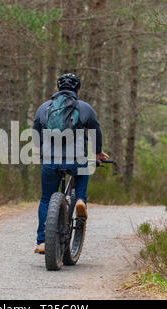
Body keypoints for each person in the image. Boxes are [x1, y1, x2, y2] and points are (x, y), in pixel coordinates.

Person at [32, 73, 109, 254]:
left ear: (58, 89)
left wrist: (38, 150)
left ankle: (42, 242)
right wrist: (97, 152)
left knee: (45, 199)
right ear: (77, 90)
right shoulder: (85, 108)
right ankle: (81, 199)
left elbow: (36, 131)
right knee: (84, 167)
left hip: (50, 160)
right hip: (77, 160)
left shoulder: (44, 108)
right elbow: (95, 131)